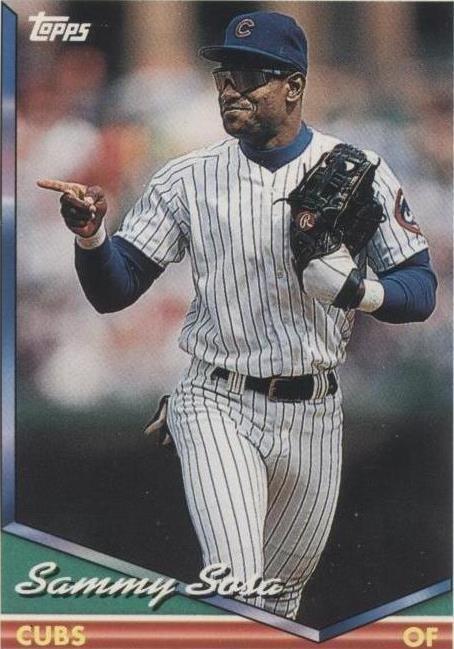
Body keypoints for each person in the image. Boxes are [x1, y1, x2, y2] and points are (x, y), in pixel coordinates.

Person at [38, 11, 437, 621]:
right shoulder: (188, 177)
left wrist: (359, 291)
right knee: (239, 583)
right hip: (216, 399)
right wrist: (92, 237)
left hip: (315, 411)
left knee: (278, 606)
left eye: (250, 76)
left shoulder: (359, 170)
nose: (231, 89)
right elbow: (115, 291)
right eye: (225, 75)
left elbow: (421, 287)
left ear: (294, 86)